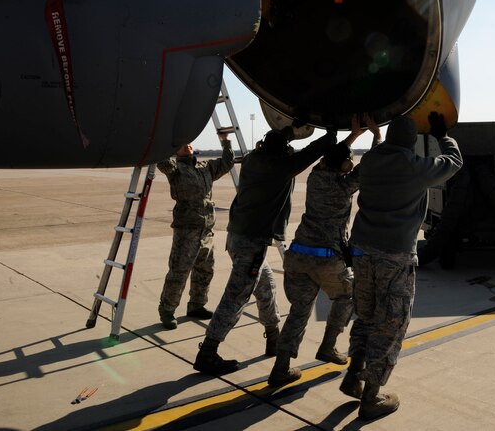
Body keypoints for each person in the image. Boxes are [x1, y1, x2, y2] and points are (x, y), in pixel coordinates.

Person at [341, 112, 462, 421]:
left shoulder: (371, 162)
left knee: (365, 315)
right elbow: (453, 161)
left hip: (362, 251)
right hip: (395, 255)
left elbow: (370, 159)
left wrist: (375, 136)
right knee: (391, 324)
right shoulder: (414, 167)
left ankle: (354, 374)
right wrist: (440, 135)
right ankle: (372, 396)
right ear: (411, 142)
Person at [193, 124, 337, 375]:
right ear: (281, 153)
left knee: (267, 285)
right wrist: (331, 136)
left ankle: (274, 338)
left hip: (238, 237)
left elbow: (280, 145)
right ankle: (208, 351)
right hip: (252, 242)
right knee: (236, 296)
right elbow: (308, 155)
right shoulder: (279, 167)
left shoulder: (253, 160)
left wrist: (290, 131)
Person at [268, 114, 381, 387]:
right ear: (345, 164)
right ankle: (328, 346)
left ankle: (281, 367)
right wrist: (376, 136)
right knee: (347, 296)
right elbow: (370, 164)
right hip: (327, 259)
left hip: (297, 257)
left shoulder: (316, 177)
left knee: (299, 311)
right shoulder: (345, 186)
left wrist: (352, 136)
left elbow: (334, 156)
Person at [156, 131, 235, 329]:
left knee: (205, 270)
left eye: (188, 143)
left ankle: (197, 305)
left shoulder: (205, 167)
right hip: (186, 230)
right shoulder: (175, 168)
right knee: (179, 273)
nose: (187, 145)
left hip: (206, 230)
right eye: (181, 145)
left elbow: (227, 162)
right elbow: (161, 160)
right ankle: (167, 310)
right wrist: (165, 139)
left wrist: (225, 141)